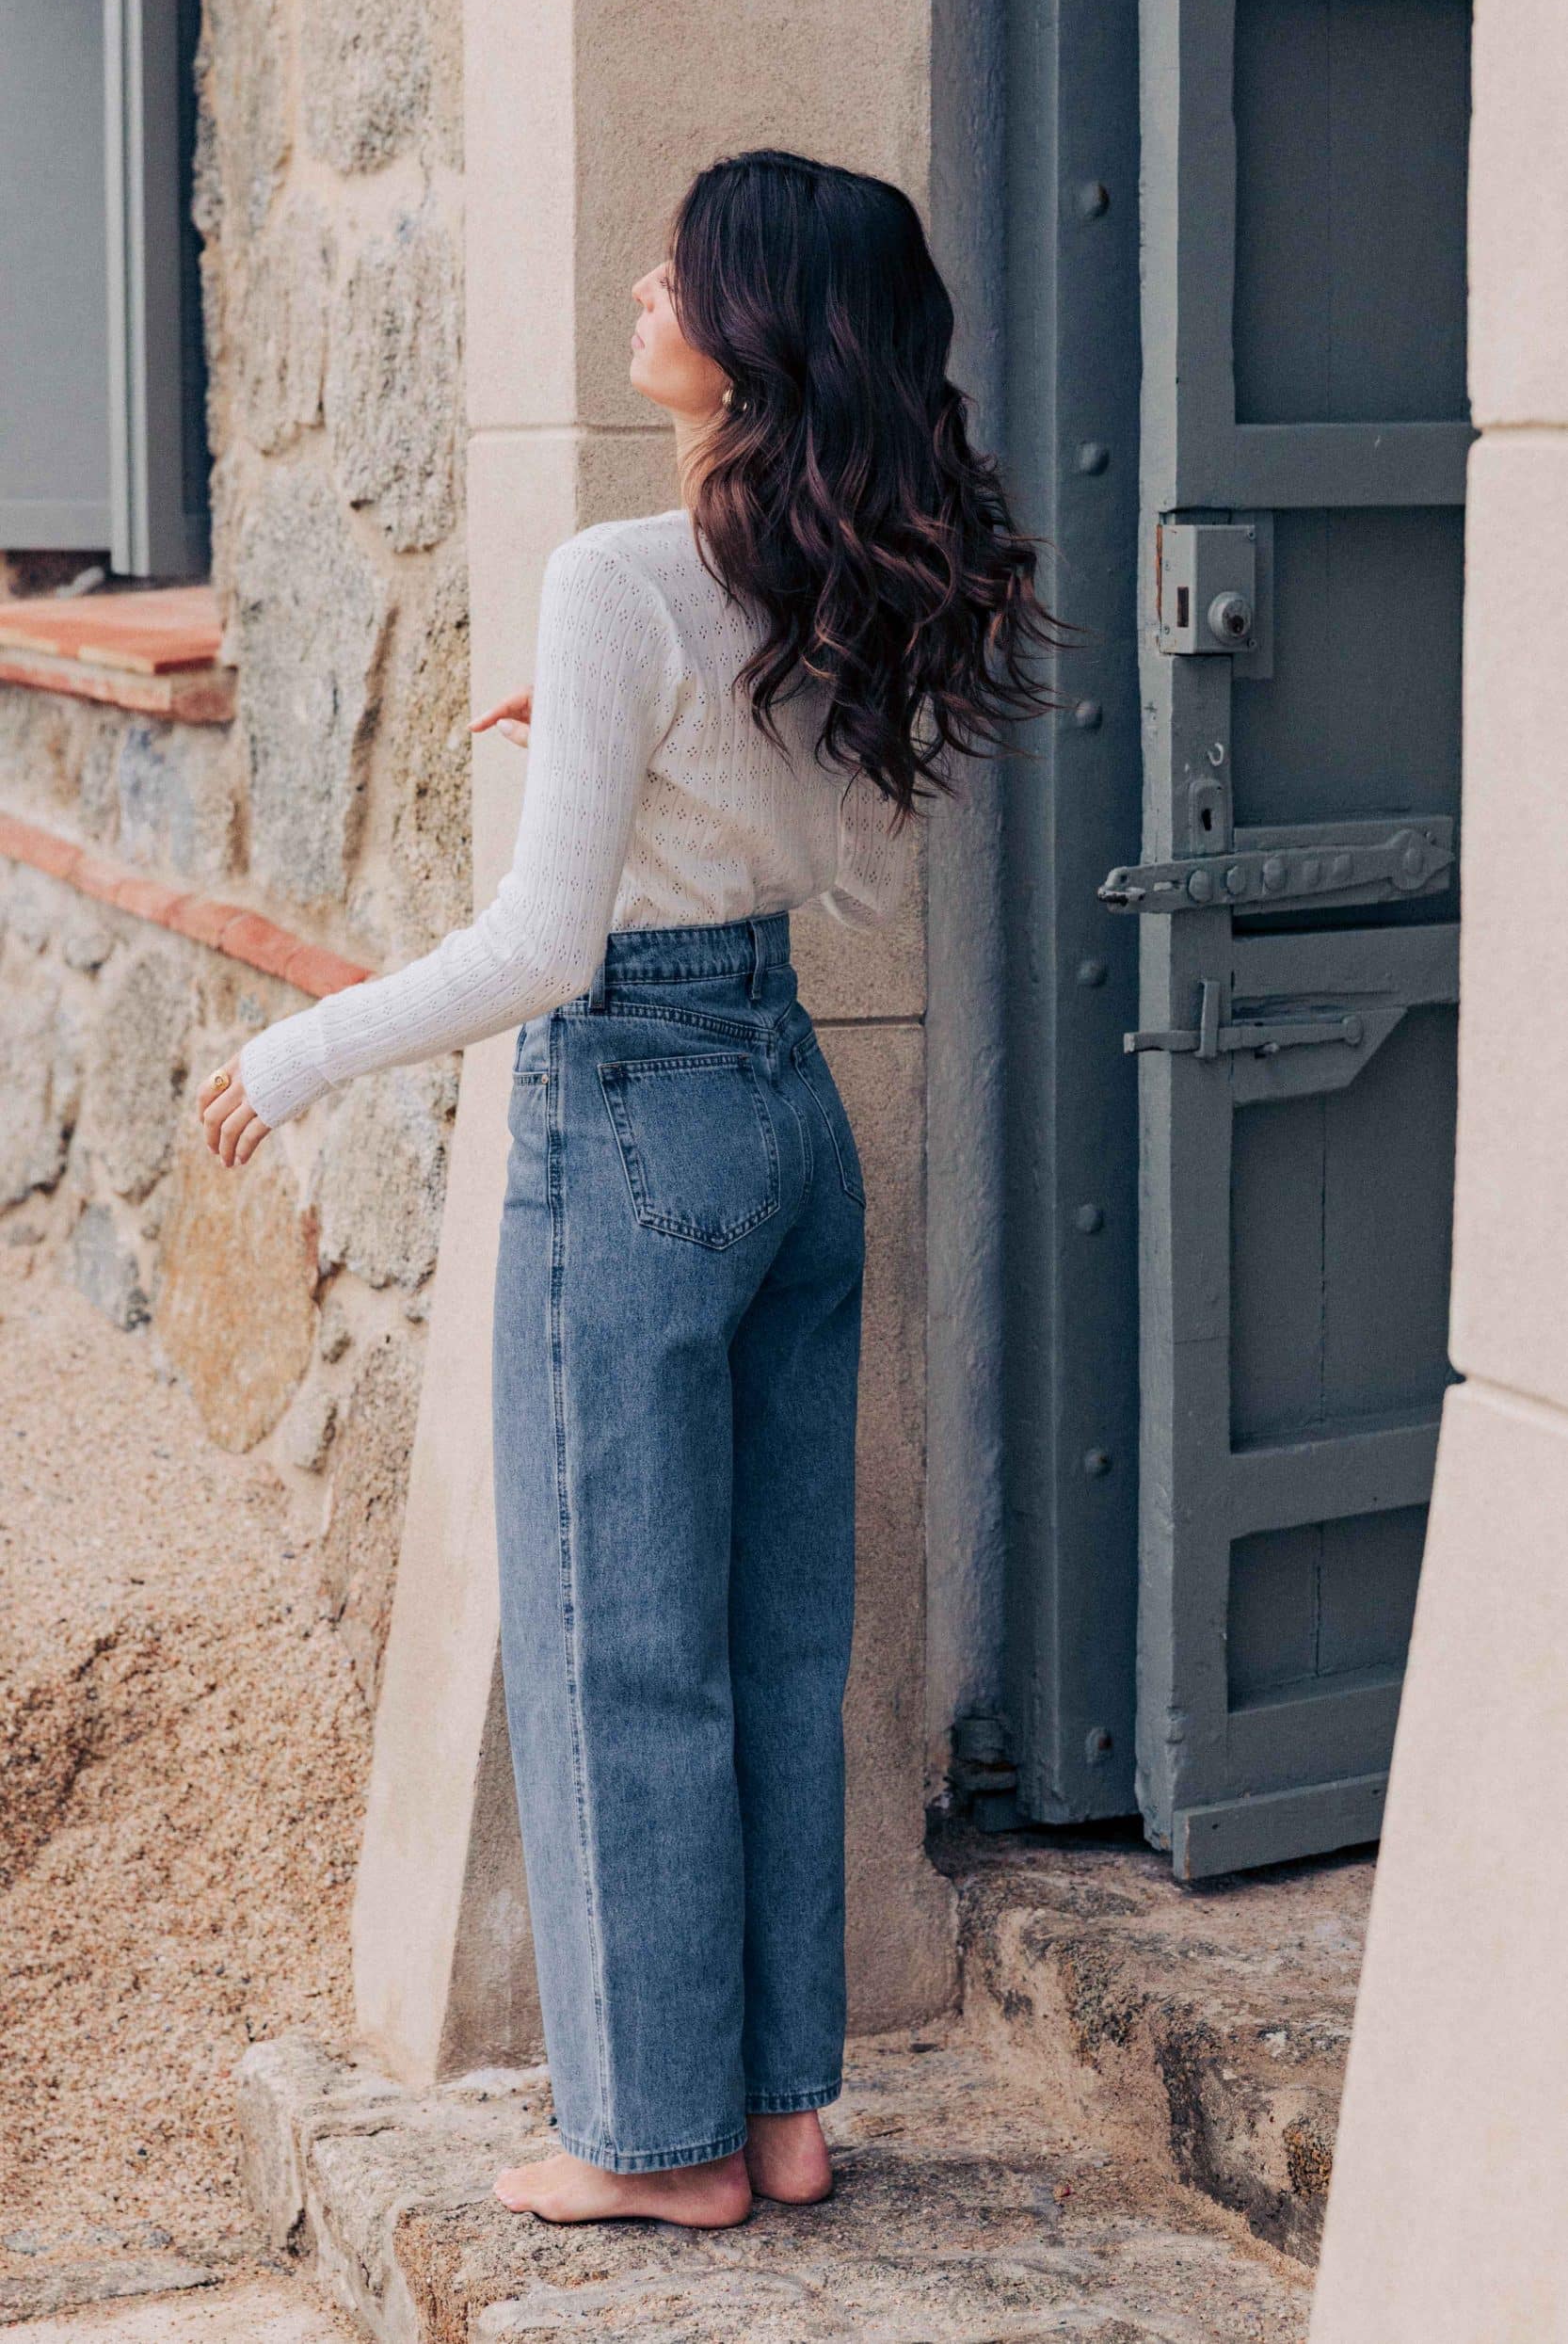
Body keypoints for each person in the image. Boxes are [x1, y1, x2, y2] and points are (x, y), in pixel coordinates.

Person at [196, 148, 1064, 2229]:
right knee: (775, 1642)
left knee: (616, 1642)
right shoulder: (837, 579)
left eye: (682, 265)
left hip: (633, 1121)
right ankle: (777, 2113)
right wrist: (638, 761)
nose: (644, 282)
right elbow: (851, 878)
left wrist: (292, 1053)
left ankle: (656, 2143)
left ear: (754, 330)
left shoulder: (620, 576)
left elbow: (539, 950)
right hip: (786, 1118)